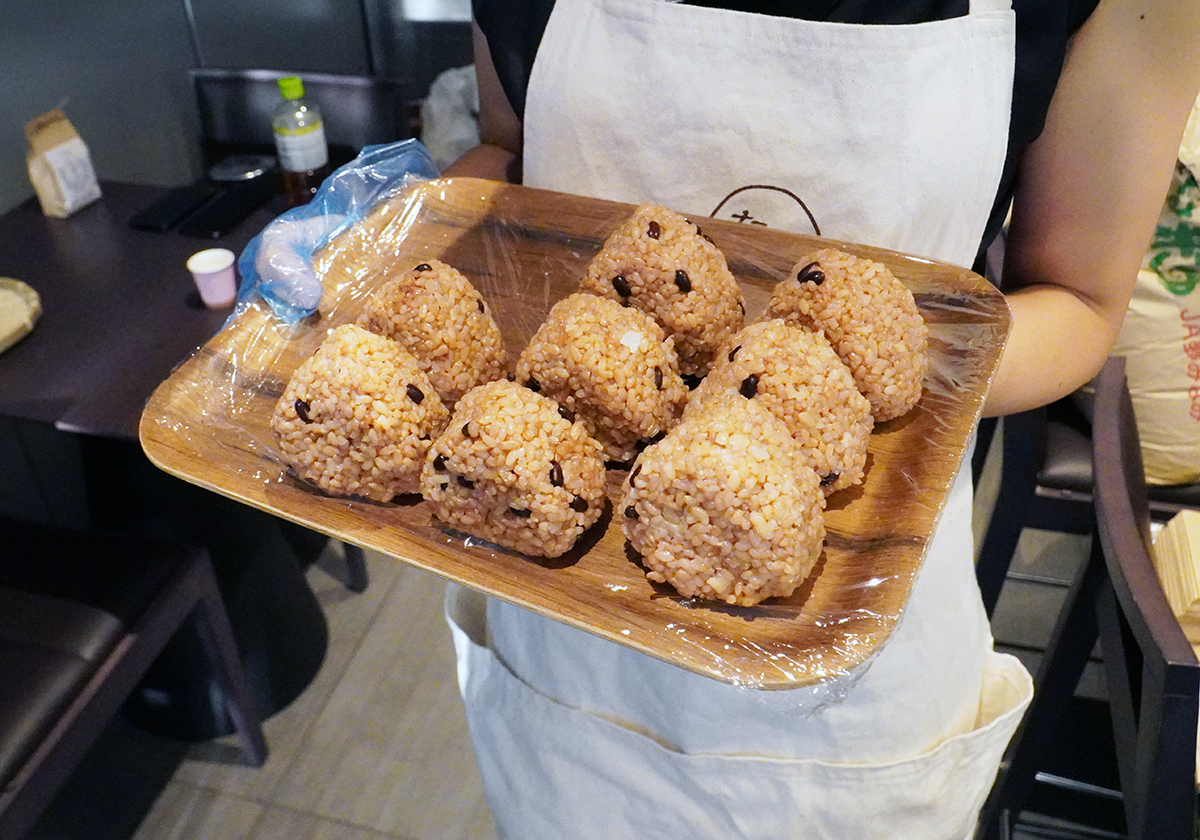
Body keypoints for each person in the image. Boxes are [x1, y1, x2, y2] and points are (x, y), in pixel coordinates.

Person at [441, 2, 1200, 838]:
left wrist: (843, 393)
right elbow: (504, 145)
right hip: (558, 615)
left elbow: (1082, 300)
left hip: (850, 616)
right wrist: (403, 237)